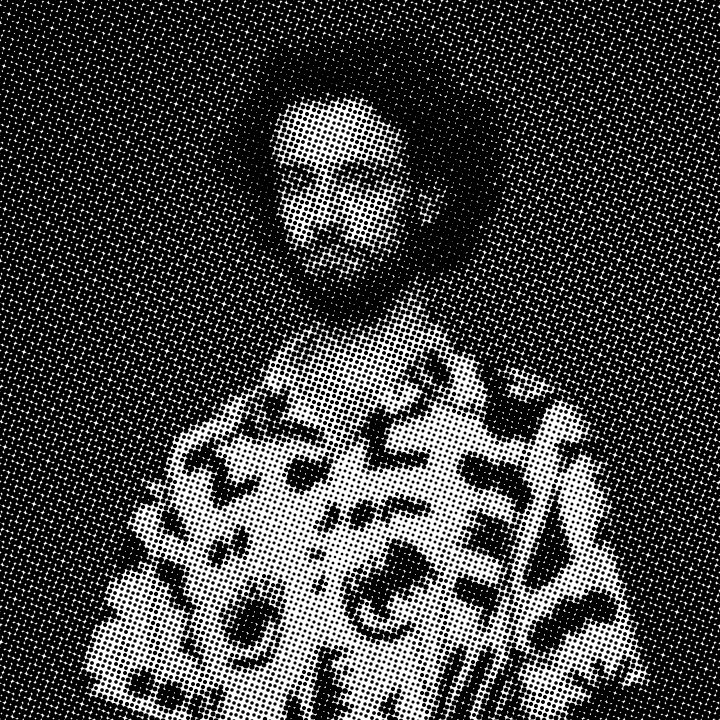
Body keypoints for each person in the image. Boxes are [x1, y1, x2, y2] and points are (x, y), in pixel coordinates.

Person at [85, 52, 645, 720]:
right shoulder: (204, 463)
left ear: (427, 196)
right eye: (298, 182)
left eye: (358, 178)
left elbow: (591, 675)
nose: (321, 214)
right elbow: (135, 686)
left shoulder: (535, 434)